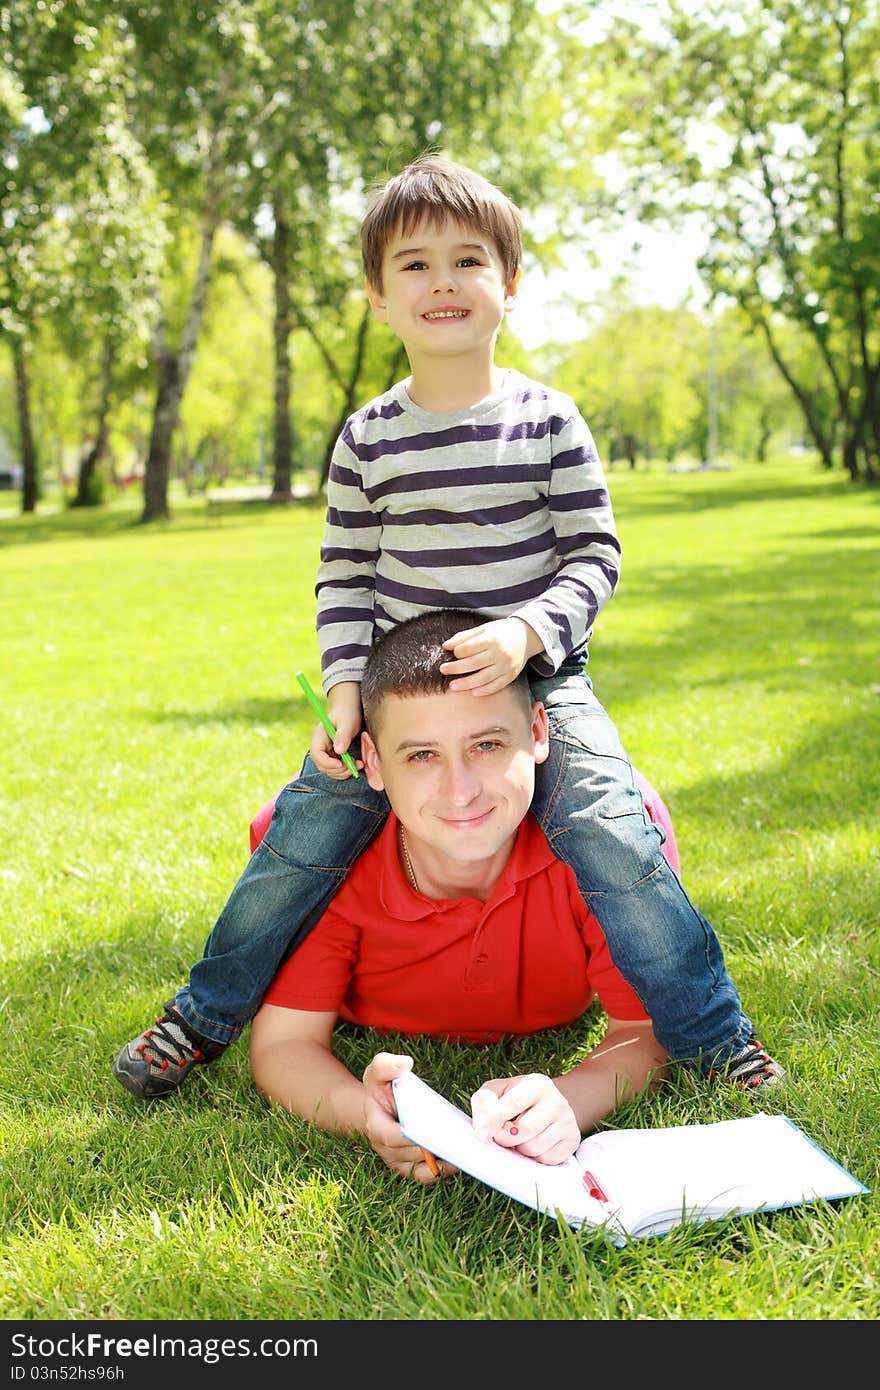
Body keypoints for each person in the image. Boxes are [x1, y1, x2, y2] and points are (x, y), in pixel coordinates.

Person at [113, 154, 784, 1101]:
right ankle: (202, 1014)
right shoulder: (367, 439)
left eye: (467, 261)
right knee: (304, 835)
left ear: (509, 285)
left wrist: (525, 635)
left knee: (607, 829)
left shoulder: (550, 423)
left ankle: (715, 1036)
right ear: (379, 298)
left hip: (538, 678)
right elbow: (344, 576)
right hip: (400, 693)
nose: (442, 283)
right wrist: (347, 687)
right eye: (413, 266)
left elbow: (596, 558)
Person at [249, 610, 672, 1178]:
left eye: (488, 745)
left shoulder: (614, 835)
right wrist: (363, 1111)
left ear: (539, 732)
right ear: (371, 761)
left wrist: (570, 1099)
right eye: (422, 755)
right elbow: (283, 1045)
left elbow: (647, 1029)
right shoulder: (321, 856)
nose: (461, 790)